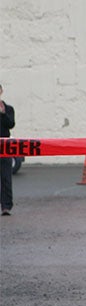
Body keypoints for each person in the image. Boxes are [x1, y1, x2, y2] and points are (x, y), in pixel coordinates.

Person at [1, 84, 14, 215]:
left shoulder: (9, 109)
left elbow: (11, 124)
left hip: (5, 148)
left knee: (6, 177)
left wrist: (3, 114)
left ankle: (6, 206)